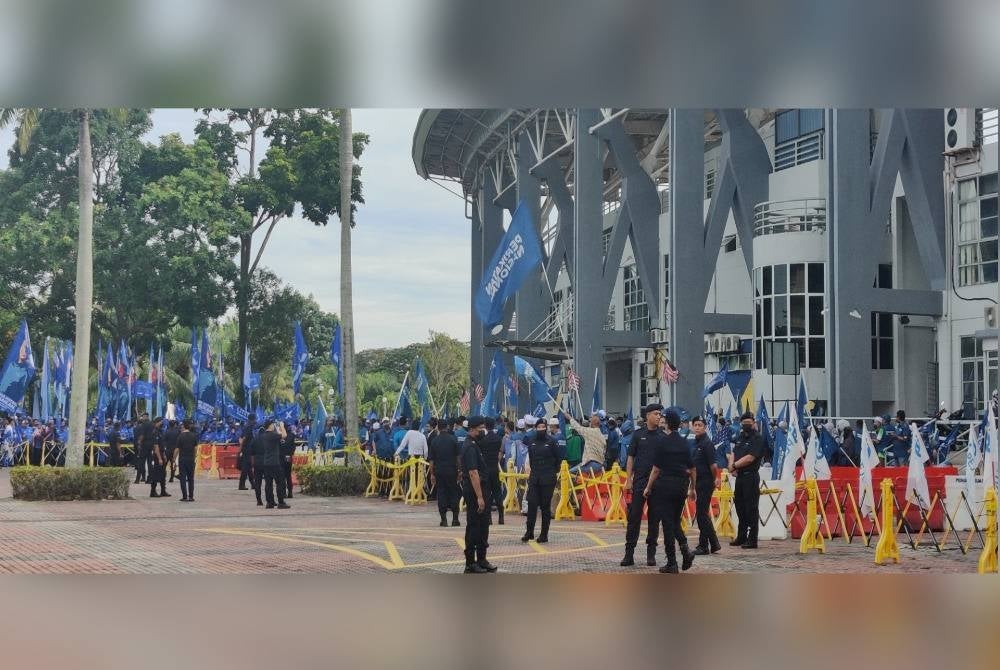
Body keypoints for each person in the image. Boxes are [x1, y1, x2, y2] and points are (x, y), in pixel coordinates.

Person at [643, 409, 696, 573]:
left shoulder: (662, 443)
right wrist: (692, 488)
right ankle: (685, 550)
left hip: (665, 486)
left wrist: (648, 487)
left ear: (667, 423)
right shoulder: (684, 443)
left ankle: (672, 562)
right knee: (674, 520)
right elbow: (693, 468)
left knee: (667, 524)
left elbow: (656, 470)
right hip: (681, 486)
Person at [621, 403, 667, 567]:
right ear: (647, 416)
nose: (658, 416)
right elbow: (631, 458)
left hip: (657, 484)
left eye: (660, 414)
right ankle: (629, 553)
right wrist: (628, 479)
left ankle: (651, 554)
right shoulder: (638, 435)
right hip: (639, 482)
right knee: (634, 518)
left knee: (654, 520)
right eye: (655, 413)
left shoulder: (663, 436)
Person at [460, 416, 495, 573]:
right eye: (481, 427)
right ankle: (470, 562)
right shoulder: (469, 447)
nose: (483, 430)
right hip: (475, 492)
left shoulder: (475, 444)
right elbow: (473, 473)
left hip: (482, 489)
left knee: (483, 526)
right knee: (474, 526)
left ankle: (482, 559)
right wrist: (480, 497)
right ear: (473, 429)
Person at [521, 417, 560, 544]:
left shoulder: (552, 441)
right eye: (539, 427)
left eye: (543, 427)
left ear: (546, 428)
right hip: (535, 476)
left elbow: (558, 459)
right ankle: (529, 531)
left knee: (544, 506)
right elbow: (531, 459)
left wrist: (551, 471)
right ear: (535, 428)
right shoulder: (532, 441)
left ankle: (544, 534)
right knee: (532, 504)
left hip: (548, 477)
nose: (541, 429)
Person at [730, 411, 765, 549]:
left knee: (751, 508)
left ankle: (752, 539)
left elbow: (750, 457)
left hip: (751, 476)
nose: (746, 426)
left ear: (754, 423)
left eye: (749, 423)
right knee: (740, 507)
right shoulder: (739, 437)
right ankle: (741, 536)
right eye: (744, 423)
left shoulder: (757, 438)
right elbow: (733, 452)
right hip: (739, 477)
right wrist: (732, 466)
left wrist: (733, 466)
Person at [689, 416, 721, 555]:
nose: (697, 427)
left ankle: (705, 545)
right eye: (695, 425)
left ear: (705, 427)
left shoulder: (707, 444)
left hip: (706, 481)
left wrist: (715, 479)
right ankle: (713, 543)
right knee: (703, 514)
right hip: (698, 481)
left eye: (700, 425)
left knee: (701, 515)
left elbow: (713, 466)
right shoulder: (695, 443)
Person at [428, 418, 461, 527]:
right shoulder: (453, 439)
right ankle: (455, 519)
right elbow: (458, 458)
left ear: (438, 427)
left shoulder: (434, 441)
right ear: (447, 427)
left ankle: (443, 520)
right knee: (453, 492)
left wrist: (432, 474)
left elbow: (431, 460)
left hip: (439, 471)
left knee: (441, 493)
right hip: (452, 470)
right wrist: (459, 470)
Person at [254, 419, 290, 509]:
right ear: (270, 425)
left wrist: (277, 429)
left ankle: (269, 502)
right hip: (274, 462)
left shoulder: (265, 435)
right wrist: (281, 426)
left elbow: (278, 436)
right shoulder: (272, 435)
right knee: (280, 482)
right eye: (273, 424)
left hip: (266, 463)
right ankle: (281, 502)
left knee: (268, 483)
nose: (274, 426)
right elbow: (284, 435)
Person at [477, 417, 505, 524]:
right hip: (495, 468)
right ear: (493, 425)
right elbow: (500, 453)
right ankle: (501, 516)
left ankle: (488, 518)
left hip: (485, 469)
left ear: (485, 425)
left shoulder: (483, 440)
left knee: (487, 494)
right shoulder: (498, 438)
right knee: (498, 493)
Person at [176, 420, 198, 502]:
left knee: (182, 478)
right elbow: (196, 448)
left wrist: (174, 459)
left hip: (182, 459)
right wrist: (194, 455)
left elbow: (177, 449)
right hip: (191, 459)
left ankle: (184, 496)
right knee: (191, 478)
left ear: (183, 426)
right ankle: (191, 496)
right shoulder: (193, 436)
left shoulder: (180, 436)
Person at [238, 415, 257, 491]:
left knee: (248, 467)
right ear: (252, 419)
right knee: (245, 468)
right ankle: (241, 485)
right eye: (255, 419)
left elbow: (240, 437)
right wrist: (241, 448)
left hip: (247, 449)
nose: (256, 421)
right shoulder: (248, 427)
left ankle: (253, 484)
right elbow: (244, 438)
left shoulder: (246, 426)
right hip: (246, 449)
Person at [134, 413, 152, 487]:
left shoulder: (143, 425)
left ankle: (138, 479)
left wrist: (139, 443)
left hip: (144, 445)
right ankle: (150, 479)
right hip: (150, 445)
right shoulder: (152, 424)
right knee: (150, 463)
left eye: (143, 416)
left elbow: (142, 435)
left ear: (145, 417)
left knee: (141, 462)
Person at [280, 421, 296, 499]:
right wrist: (290, 453)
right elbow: (293, 447)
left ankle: (283, 493)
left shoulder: (280, 436)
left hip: (281, 457)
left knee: (282, 476)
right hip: (288, 457)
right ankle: (290, 492)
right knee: (288, 476)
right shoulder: (292, 435)